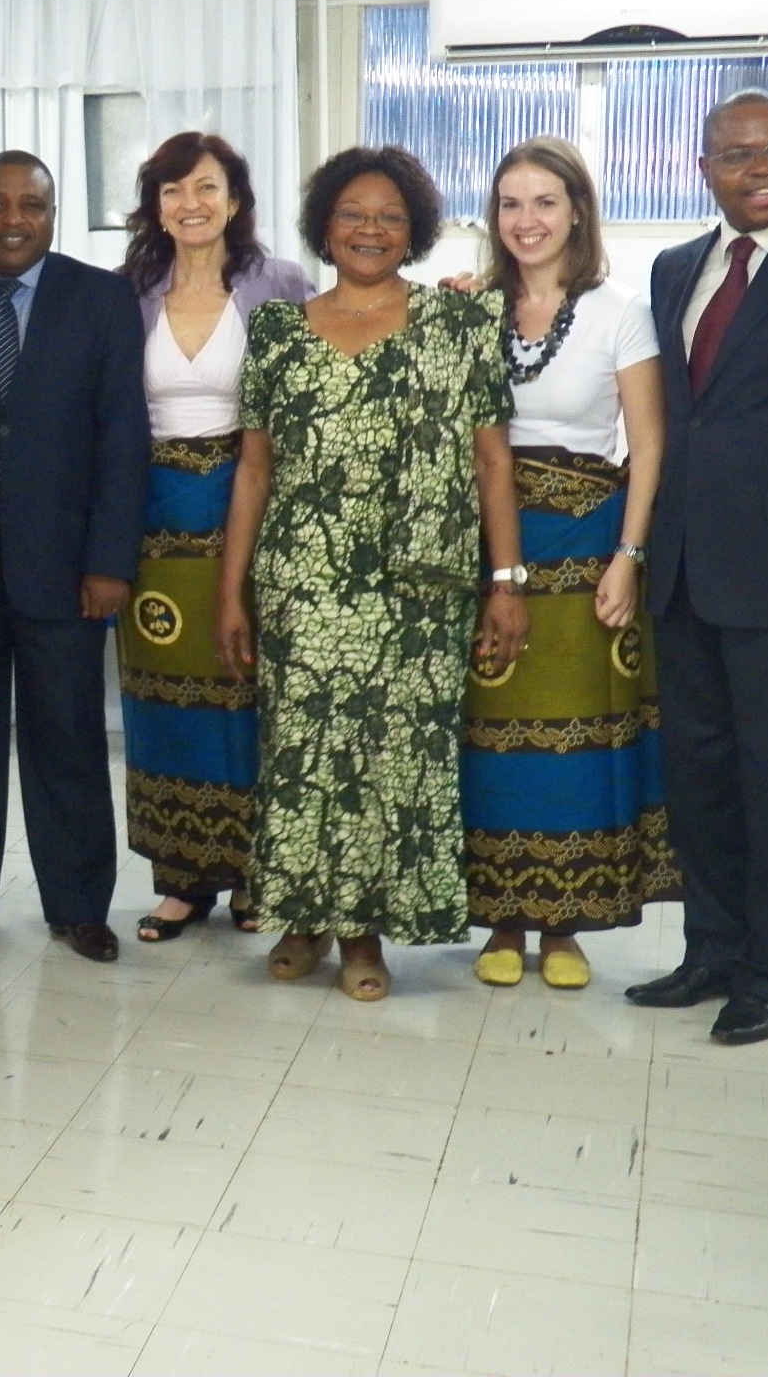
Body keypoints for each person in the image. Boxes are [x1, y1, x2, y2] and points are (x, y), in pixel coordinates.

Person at [216, 146, 527, 1001]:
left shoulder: (461, 325)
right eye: (353, 213)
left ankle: (363, 938)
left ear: (415, 231)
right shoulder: (278, 331)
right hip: (304, 583)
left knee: (393, 760)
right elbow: (253, 471)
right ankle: (305, 916)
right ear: (324, 225)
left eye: (390, 216)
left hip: (419, 590)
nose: (370, 228)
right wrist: (230, 592)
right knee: (305, 755)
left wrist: (508, 582)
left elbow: (493, 465)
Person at [626, 90, 768, 1044]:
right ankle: (713, 949)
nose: (762, 169)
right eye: (738, 155)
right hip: (685, 569)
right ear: (704, 168)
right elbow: (684, 415)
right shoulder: (676, 268)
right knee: (702, 773)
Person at [458, 137, 678, 989]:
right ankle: (503, 918)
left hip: (590, 549)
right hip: (496, 546)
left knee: (578, 742)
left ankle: (566, 924)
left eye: (544, 202)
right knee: (495, 739)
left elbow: (650, 443)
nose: (527, 221)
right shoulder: (474, 306)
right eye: (511, 204)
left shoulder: (620, 308)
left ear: (577, 211)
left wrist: (629, 555)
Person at [0, 151, 147, 964]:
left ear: (54, 214)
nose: (13, 219)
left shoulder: (103, 298)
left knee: (70, 740)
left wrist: (110, 560)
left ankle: (80, 904)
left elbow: (124, 437)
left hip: (69, 568)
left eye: (31, 205)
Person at [116, 132, 313, 945]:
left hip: (249, 513)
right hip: (153, 522)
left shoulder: (283, 285)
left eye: (205, 188)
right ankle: (181, 878)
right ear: (154, 206)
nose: (189, 205)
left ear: (235, 199)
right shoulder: (128, 291)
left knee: (247, 696)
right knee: (162, 702)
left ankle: (255, 875)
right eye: (171, 191)